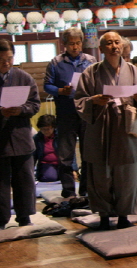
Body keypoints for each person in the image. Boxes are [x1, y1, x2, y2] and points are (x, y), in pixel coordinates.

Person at [74, 31, 137, 231]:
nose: (114, 46)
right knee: (100, 174)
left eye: (117, 42)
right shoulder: (91, 72)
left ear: (123, 46)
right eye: (108, 43)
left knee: (127, 174)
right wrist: (94, 100)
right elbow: (80, 99)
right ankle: (103, 214)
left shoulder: (134, 71)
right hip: (100, 126)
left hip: (127, 127)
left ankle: (124, 215)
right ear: (101, 49)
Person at [0, 39, 40, 231]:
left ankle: (24, 216)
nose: (7, 63)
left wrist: (21, 110)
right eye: (2, 59)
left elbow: (35, 104)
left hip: (21, 136)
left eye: (10, 58)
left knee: (24, 179)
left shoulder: (24, 77)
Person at [44, 27, 96, 198]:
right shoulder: (55, 62)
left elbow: (97, 82)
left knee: (89, 153)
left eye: (78, 43)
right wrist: (60, 91)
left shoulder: (90, 61)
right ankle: (68, 192)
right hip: (65, 112)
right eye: (71, 44)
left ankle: (86, 190)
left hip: (87, 112)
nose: (75, 47)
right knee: (65, 154)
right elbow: (47, 85)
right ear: (64, 44)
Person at [33, 115, 60, 182]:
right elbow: (33, 156)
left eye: (48, 129)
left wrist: (74, 169)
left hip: (62, 164)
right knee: (50, 177)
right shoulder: (37, 138)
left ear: (54, 127)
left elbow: (70, 153)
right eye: (43, 129)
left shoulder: (61, 136)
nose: (46, 131)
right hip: (47, 164)